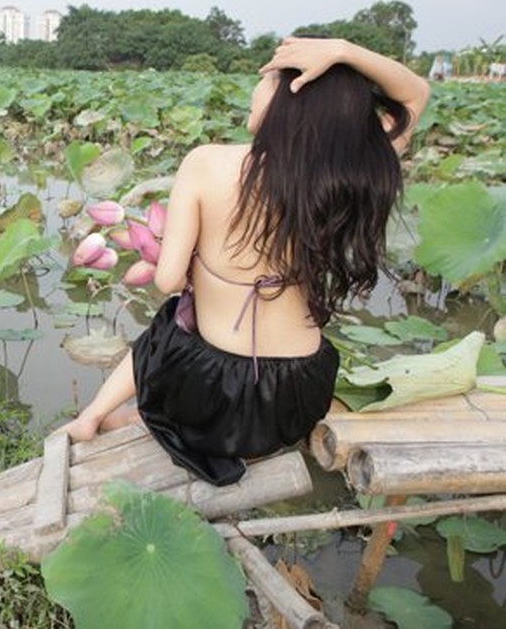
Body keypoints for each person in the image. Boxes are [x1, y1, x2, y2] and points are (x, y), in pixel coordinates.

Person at [63, 37, 431, 486]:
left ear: (286, 98)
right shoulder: (348, 175)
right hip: (298, 395)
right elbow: (415, 94)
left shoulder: (206, 163)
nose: (253, 93)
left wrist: (200, 259)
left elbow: (167, 279)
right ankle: (141, 419)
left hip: (217, 397)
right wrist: (343, 51)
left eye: (263, 83)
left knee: (169, 324)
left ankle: (95, 415)